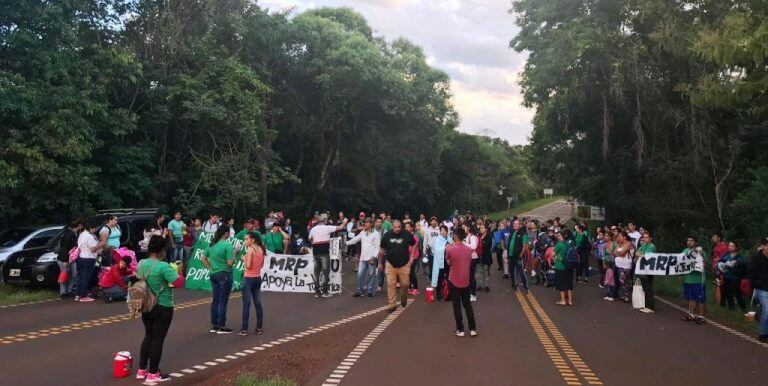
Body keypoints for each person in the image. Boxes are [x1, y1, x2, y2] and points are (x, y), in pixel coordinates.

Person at [135, 235, 185, 383]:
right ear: (161, 250)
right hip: (163, 305)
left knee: (148, 336)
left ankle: (141, 369)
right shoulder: (163, 267)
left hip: (146, 305)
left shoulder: (142, 263)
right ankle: (153, 373)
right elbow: (178, 282)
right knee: (158, 339)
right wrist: (180, 270)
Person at [201, 226, 235, 334]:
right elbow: (230, 263)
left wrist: (210, 268)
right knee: (223, 300)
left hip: (214, 274)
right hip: (225, 273)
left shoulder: (211, 244)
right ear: (225, 233)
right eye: (228, 232)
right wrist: (235, 253)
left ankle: (214, 324)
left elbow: (203, 258)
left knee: (216, 299)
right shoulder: (227, 245)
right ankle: (221, 325)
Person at [445, 227, 477, 337]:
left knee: (457, 305)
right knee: (467, 304)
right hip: (466, 280)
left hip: (454, 280)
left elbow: (448, 262)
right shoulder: (469, 249)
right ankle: (473, 329)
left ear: (455, 236)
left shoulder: (450, 249)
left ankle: (460, 329)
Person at [378, 220, 415, 313]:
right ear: (392, 227)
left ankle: (404, 296)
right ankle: (392, 305)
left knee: (406, 284)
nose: (397, 229)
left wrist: (412, 257)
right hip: (390, 264)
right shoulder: (387, 235)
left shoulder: (407, 234)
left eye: (399, 227)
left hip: (404, 264)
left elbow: (414, 245)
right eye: (395, 227)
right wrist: (379, 263)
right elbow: (382, 249)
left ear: (401, 227)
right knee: (391, 284)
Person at [308, 214, 348, 298]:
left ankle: (317, 292)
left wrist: (315, 240)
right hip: (324, 252)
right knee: (325, 273)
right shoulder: (327, 227)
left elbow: (310, 238)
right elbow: (339, 228)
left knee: (316, 273)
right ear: (325, 220)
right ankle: (325, 292)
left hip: (315, 252)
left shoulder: (313, 229)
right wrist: (344, 222)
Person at [239, 232, 265, 336]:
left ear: (252, 240)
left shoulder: (250, 250)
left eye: (246, 239)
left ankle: (244, 329)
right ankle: (259, 328)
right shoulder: (261, 249)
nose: (245, 241)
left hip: (248, 278)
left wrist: (244, 259)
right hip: (257, 278)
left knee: (246, 304)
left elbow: (248, 266)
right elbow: (261, 265)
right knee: (258, 303)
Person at [346, 217, 381, 297]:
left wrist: (374, 257)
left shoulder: (375, 234)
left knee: (371, 275)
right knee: (359, 274)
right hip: (362, 258)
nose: (365, 224)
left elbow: (377, 247)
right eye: (365, 222)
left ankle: (370, 290)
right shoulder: (362, 232)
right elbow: (355, 239)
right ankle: (359, 290)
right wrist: (346, 243)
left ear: (371, 224)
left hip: (371, 258)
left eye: (367, 222)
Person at [681, 236, 709, 324]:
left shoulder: (700, 251)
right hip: (687, 279)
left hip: (698, 280)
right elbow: (680, 263)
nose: (689, 242)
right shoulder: (684, 251)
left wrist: (700, 256)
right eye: (688, 240)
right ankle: (691, 314)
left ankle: (701, 316)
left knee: (700, 299)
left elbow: (705, 263)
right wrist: (680, 274)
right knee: (690, 298)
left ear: (695, 242)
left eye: (692, 241)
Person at [75, 219, 101, 302]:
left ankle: (78, 294)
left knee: (81, 277)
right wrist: (100, 244)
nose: (95, 230)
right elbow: (93, 249)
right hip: (89, 258)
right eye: (95, 228)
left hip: (81, 257)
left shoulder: (82, 234)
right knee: (86, 277)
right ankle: (83, 295)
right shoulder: (90, 236)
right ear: (91, 228)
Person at [748, 237, 768, 342]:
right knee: (767, 310)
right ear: (762, 246)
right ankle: (763, 334)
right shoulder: (756, 257)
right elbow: (750, 273)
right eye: (766, 245)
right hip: (761, 288)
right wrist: (756, 284)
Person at [717, 241, 746, 312]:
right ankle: (731, 309)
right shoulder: (726, 255)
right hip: (726, 278)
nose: (730, 247)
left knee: (737, 294)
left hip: (735, 279)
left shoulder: (740, 257)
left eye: (732, 246)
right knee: (728, 294)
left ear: (736, 247)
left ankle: (743, 309)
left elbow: (738, 270)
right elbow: (720, 263)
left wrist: (728, 266)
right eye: (729, 246)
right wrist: (720, 267)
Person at [56, 217, 82, 299]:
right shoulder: (69, 234)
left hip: (72, 258)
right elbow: (64, 248)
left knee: (74, 274)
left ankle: (68, 290)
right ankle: (63, 293)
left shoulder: (75, 233)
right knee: (64, 274)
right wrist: (65, 260)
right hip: (64, 258)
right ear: (79, 225)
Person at [506, 219, 529, 294]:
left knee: (521, 273)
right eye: (514, 224)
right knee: (512, 273)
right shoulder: (511, 233)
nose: (514, 225)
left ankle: (526, 288)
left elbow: (524, 246)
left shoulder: (522, 234)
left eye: (516, 224)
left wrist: (520, 255)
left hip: (518, 257)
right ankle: (514, 287)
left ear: (519, 225)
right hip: (511, 256)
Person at [635, 232, 657, 313]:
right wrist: (642, 254)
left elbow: (647, 256)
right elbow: (637, 253)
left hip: (649, 269)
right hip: (643, 268)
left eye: (646, 237)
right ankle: (647, 305)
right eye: (644, 237)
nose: (644, 239)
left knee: (648, 288)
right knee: (645, 287)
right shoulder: (644, 245)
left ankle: (651, 307)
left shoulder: (652, 246)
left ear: (650, 238)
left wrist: (642, 255)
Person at [553, 230, 574, 306]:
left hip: (561, 266)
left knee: (561, 284)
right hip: (570, 266)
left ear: (560, 236)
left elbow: (553, 254)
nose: (557, 237)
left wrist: (555, 257)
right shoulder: (569, 243)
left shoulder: (559, 244)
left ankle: (563, 301)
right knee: (569, 284)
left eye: (558, 235)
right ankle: (570, 301)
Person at [431, 225, 451, 300]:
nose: (443, 232)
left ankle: (448, 294)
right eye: (441, 230)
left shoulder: (449, 238)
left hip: (448, 262)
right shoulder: (438, 239)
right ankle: (438, 294)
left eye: (444, 230)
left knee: (449, 277)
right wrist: (445, 247)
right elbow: (437, 250)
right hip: (440, 262)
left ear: (447, 231)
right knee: (440, 277)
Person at [613, 231, 634, 303]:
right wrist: (619, 253)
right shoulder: (620, 243)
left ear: (624, 237)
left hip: (626, 265)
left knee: (622, 280)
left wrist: (618, 253)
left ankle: (627, 295)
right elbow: (614, 252)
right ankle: (626, 295)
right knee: (625, 281)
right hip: (619, 265)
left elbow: (622, 253)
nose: (618, 238)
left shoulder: (629, 243)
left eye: (620, 236)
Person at [462, 224, 479, 301]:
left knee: (471, 276)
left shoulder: (473, 237)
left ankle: (473, 294)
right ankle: (468, 293)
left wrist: (464, 244)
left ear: (468, 228)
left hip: (473, 258)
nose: (463, 229)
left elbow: (474, 246)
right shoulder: (467, 236)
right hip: (467, 258)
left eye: (464, 227)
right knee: (468, 276)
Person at [406, 222, 421, 295]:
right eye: (406, 227)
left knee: (411, 272)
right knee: (407, 273)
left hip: (414, 256)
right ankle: (409, 287)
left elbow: (414, 247)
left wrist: (411, 257)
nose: (407, 228)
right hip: (406, 256)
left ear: (412, 228)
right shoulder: (405, 235)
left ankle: (416, 288)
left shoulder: (415, 236)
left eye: (408, 227)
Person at [477, 223, 493, 292]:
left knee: (486, 271)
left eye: (483, 228)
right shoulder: (479, 236)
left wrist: (480, 243)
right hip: (479, 256)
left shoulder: (489, 236)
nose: (481, 229)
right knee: (480, 271)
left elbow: (485, 245)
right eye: (480, 228)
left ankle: (486, 285)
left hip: (486, 256)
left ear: (486, 229)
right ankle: (481, 285)